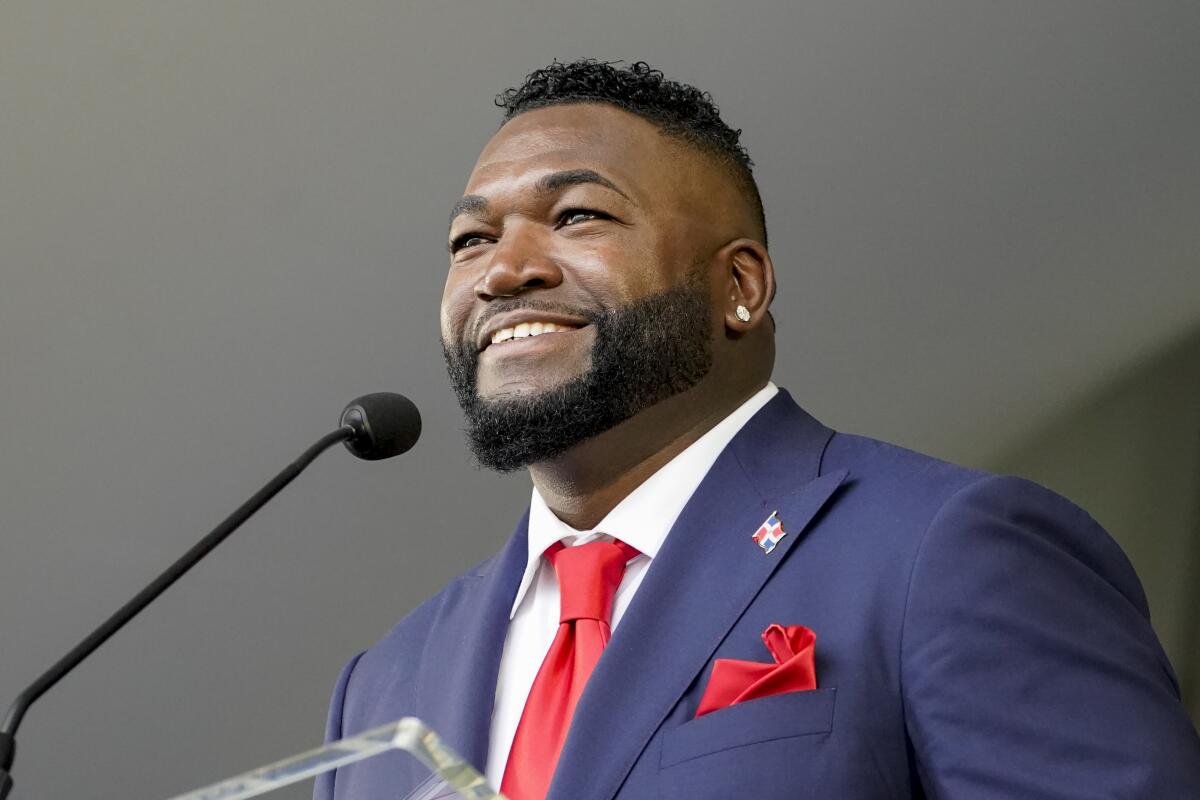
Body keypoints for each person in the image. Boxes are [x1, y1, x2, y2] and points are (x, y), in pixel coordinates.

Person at [315, 60, 1200, 800]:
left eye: (579, 215)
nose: (504, 270)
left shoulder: (948, 550)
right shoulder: (384, 689)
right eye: (470, 239)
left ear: (740, 286)